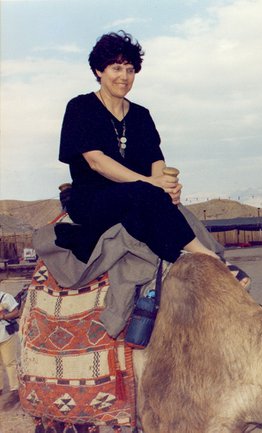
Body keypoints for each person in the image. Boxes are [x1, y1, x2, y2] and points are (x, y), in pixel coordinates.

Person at [58, 31, 249, 285]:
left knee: (154, 196)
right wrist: (149, 184)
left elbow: (157, 162)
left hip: (140, 197)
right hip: (93, 200)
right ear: (98, 71)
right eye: (116, 68)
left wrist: (166, 186)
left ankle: (182, 259)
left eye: (129, 69)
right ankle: (210, 259)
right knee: (144, 193)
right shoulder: (80, 107)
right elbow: (97, 161)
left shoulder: (141, 116)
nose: (124, 77)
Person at [0, 290, 20, 410]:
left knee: (10, 363)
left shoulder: (4, 297)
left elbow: (16, 312)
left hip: (6, 335)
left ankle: (15, 389)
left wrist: (3, 316)